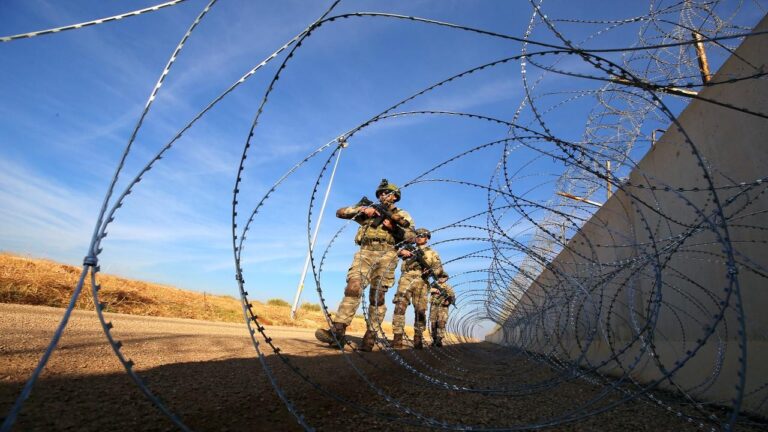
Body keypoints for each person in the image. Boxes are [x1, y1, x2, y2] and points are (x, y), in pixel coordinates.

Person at [315, 179, 415, 352]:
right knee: (353, 287)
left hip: (387, 254)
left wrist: (394, 228)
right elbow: (340, 212)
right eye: (381, 193)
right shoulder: (370, 210)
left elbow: (411, 236)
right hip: (365, 252)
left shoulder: (403, 214)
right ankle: (337, 332)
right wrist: (361, 210)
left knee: (377, 296)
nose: (383, 195)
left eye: (387, 192)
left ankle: (371, 336)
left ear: (395, 196)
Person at [391, 228, 444, 349]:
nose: (419, 237)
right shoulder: (408, 247)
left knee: (420, 311)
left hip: (422, 281)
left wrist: (430, 270)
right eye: (417, 235)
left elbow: (439, 269)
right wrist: (401, 252)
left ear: (427, 238)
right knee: (400, 306)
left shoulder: (432, 253)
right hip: (406, 278)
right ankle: (397, 338)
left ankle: (418, 339)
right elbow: (393, 252)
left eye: (422, 235)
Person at [429, 274, 455, 348]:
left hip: (443, 308)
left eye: (444, 277)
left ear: (446, 278)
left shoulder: (448, 287)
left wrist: (448, 302)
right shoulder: (434, 285)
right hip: (434, 306)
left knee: (441, 323)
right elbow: (426, 289)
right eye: (440, 276)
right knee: (433, 324)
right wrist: (434, 290)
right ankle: (434, 340)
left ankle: (439, 340)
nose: (442, 278)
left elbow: (452, 297)